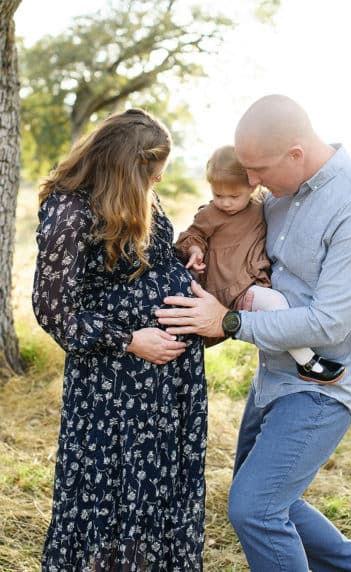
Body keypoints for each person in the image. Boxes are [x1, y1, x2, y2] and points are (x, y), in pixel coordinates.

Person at [155, 94, 351, 571]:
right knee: (271, 501)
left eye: (258, 170)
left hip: (323, 387)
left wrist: (226, 321)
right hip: (273, 375)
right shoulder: (278, 196)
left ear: (296, 153)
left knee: (256, 508)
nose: (250, 183)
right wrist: (197, 248)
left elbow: (329, 322)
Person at [33, 108, 206, 570]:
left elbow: (140, 259)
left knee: (152, 489)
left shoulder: (136, 197)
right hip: (113, 381)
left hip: (166, 384)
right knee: (108, 488)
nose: (157, 186)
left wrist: (185, 252)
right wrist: (130, 340)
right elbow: (54, 311)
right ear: (127, 167)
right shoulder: (69, 211)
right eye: (153, 175)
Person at [175, 144, 345, 383]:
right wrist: (195, 250)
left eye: (234, 196)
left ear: (252, 185)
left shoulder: (263, 204)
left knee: (281, 307)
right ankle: (308, 363)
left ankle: (298, 357)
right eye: (218, 195)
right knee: (274, 304)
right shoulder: (212, 213)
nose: (225, 203)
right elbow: (193, 235)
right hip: (231, 286)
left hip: (254, 279)